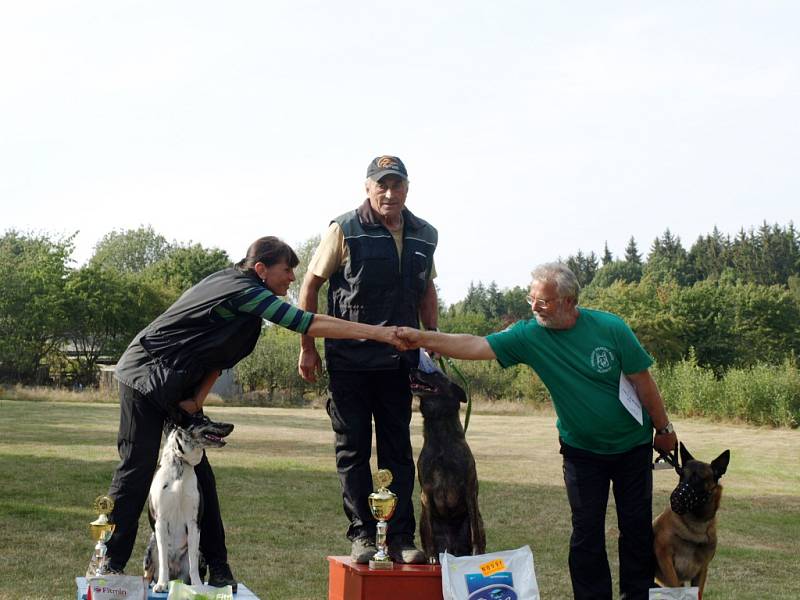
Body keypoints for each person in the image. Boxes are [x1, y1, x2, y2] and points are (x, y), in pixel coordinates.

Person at [101, 236, 403, 590]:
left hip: (176, 386)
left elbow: (217, 358)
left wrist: (196, 400)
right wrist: (378, 334)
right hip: (144, 375)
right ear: (261, 269)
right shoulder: (241, 289)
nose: (292, 277)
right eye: (286, 269)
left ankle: (219, 568)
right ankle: (110, 564)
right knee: (136, 470)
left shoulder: (248, 308)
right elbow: (306, 322)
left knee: (202, 481)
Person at [397, 263, 679, 600]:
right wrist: (424, 338)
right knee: (586, 534)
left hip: (631, 445)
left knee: (635, 531)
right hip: (581, 450)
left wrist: (663, 427)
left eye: (542, 301)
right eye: (531, 298)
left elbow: (643, 382)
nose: (534, 307)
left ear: (568, 301)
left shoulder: (611, 328)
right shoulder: (530, 335)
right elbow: (476, 345)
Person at [297, 155, 438, 564]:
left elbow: (427, 290)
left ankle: (402, 537)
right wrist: (307, 347)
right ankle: (363, 533)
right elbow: (309, 288)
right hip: (350, 363)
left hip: (399, 364)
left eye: (397, 185)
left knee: (398, 450)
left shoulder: (426, 234)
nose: (389, 193)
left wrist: (430, 345)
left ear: (408, 188)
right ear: (367, 188)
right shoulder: (344, 229)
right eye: (382, 185)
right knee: (353, 450)